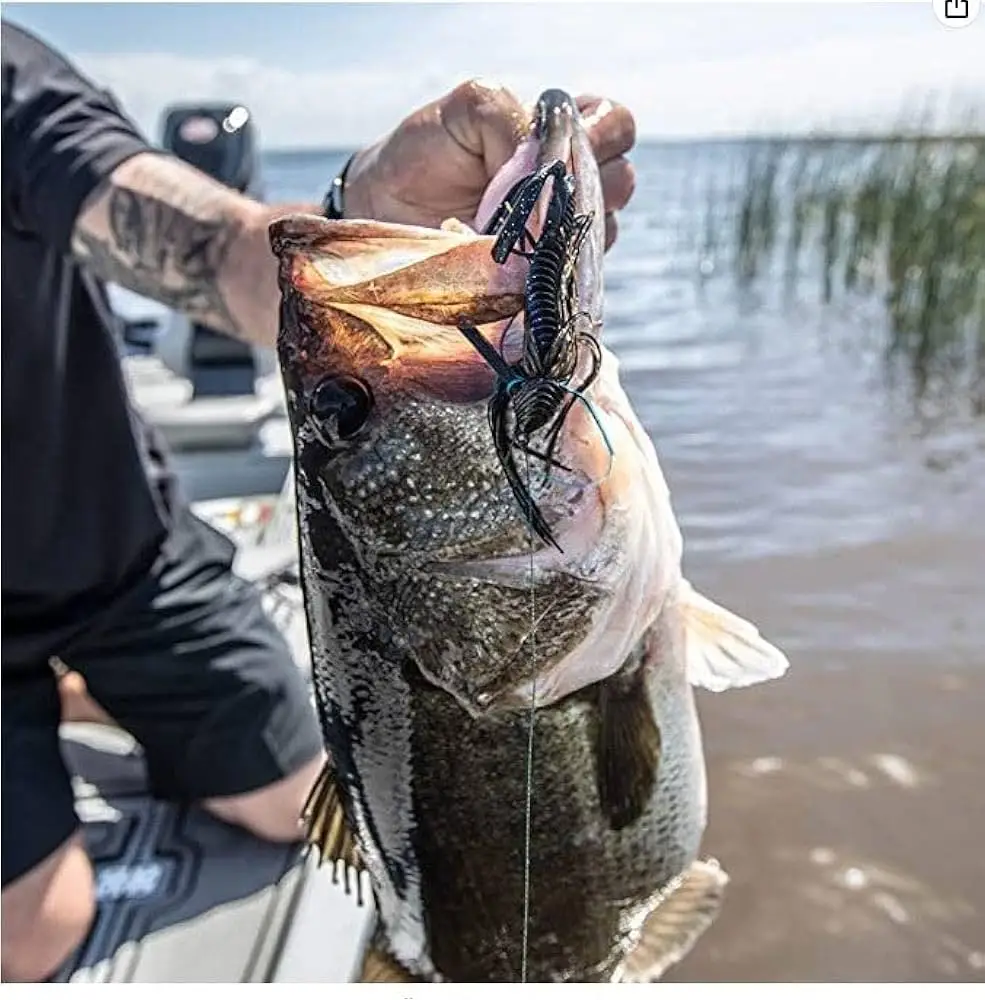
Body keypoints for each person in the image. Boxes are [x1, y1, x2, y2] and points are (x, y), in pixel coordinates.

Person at [0, 19, 638, 983]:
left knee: (303, 800)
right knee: (36, 930)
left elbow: (212, 248)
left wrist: (363, 219)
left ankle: (70, 686)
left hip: (121, 556)